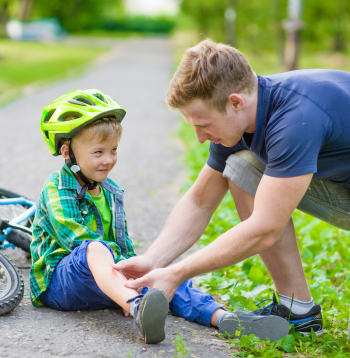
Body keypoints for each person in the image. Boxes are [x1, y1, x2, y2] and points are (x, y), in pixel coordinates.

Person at [115, 39, 350, 337]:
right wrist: (153, 261)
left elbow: (265, 228)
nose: (200, 138)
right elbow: (200, 201)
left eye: (203, 125)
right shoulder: (245, 115)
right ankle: (298, 311)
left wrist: (177, 273)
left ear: (235, 102)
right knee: (240, 167)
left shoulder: (294, 119)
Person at [30, 89, 290, 344]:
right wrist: (126, 279)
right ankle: (137, 308)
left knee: (162, 276)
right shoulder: (57, 187)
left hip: (108, 282)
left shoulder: (110, 191)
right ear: (67, 152)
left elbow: (121, 243)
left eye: (114, 150)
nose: (108, 160)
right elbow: (74, 237)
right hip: (61, 284)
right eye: (98, 152)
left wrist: (137, 273)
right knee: (95, 249)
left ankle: (224, 319)